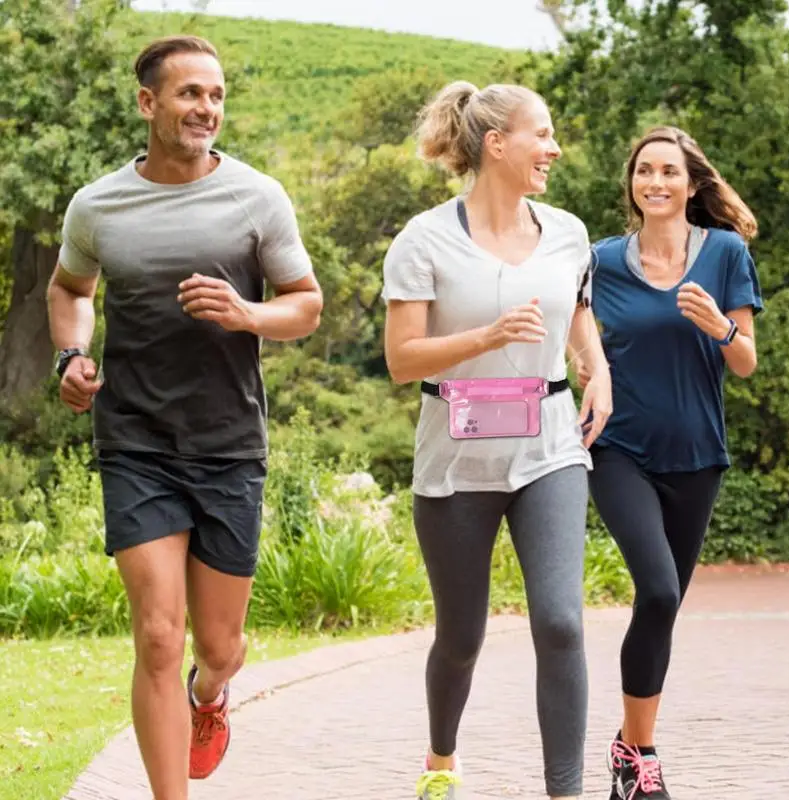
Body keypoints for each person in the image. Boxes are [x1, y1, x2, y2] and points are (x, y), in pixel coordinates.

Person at [46, 35, 322, 800]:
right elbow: (70, 291)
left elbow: (306, 305)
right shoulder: (98, 204)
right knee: (159, 637)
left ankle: (212, 694)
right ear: (148, 103)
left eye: (217, 95)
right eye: (190, 94)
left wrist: (245, 313)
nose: (207, 108)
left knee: (220, 647)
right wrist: (71, 358)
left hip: (229, 441)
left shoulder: (256, 197)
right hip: (135, 439)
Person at [381, 81, 613, 800]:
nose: (553, 148)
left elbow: (576, 310)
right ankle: (442, 760)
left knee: (561, 621)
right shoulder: (425, 239)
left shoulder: (569, 232)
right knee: (461, 638)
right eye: (541, 134)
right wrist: (486, 334)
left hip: (548, 447)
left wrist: (597, 367)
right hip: (455, 462)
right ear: (496, 145)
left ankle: (564, 791)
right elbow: (401, 359)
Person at [578, 126, 762, 800]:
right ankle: (645, 754)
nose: (655, 182)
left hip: (696, 455)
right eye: (644, 171)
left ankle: (626, 752)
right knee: (656, 589)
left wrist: (721, 326)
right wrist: (585, 368)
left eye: (668, 172)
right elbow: (577, 335)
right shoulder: (601, 260)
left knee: (665, 607)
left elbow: (745, 362)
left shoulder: (726, 254)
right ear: (632, 183)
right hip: (618, 447)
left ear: (691, 183)